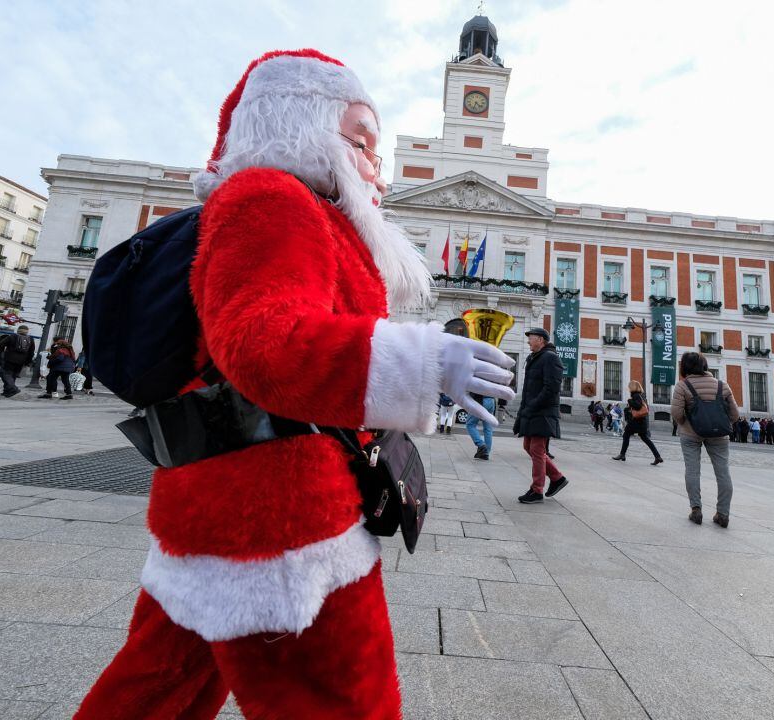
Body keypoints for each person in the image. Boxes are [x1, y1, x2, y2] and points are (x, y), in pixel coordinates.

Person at [76, 49, 515, 720]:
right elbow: (265, 344)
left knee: (156, 691)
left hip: (223, 502)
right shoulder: (274, 199)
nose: (377, 168)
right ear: (304, 129)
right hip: (282, 524)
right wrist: (420, 362)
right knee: (343, 702)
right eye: (362, 145)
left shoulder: (304, 209)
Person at [670, 352, 739, 528]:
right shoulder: (723, 385)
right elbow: (734, 415)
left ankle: (696, 509)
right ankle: (723, 514)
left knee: (692, 471)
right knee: (723, 472)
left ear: (684, 367)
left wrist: (686, 423)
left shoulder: (682, 386)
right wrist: (718, 424)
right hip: (719, 435)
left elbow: (676, 413)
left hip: (690, 434)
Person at [514, 327, 567, 504]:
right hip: (532, 411)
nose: (528, 341)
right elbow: (529, 389)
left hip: (543, 411)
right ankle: (557, 477)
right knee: (528, 446)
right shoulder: (534, 358)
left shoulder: (550, 358)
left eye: (531, 338)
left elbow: (551, 388)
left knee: (537, 449)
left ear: (541, 340)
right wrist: (523, 411)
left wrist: (533, 406)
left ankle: (537, 490)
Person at [611, 380, 664, 465]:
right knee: (645, 438)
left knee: (626, 435)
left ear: (633, 387)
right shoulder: (640, 395)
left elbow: (638, 406)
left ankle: (622, 454)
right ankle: (658, 457)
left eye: (629, 387)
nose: (628, 388)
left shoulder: (636, 395)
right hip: (641, 421)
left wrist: (629, 401)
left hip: (636, 421)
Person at [0, 326, 34, 398]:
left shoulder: (12, 336)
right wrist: (28, 362)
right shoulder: (30, 339)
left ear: (18, 330)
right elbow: (31, 352)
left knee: (5, 374)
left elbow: (1, 345)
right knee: (13, 376)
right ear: (27, 331)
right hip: (21, 361)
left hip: (9, 359)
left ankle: (13, 388)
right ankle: (7, 391)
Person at [467, 391, 496, 460]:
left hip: (479, 399)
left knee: (470, 424)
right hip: (491, 400)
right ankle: (486, 453)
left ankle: (481, 445)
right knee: (488, 428)